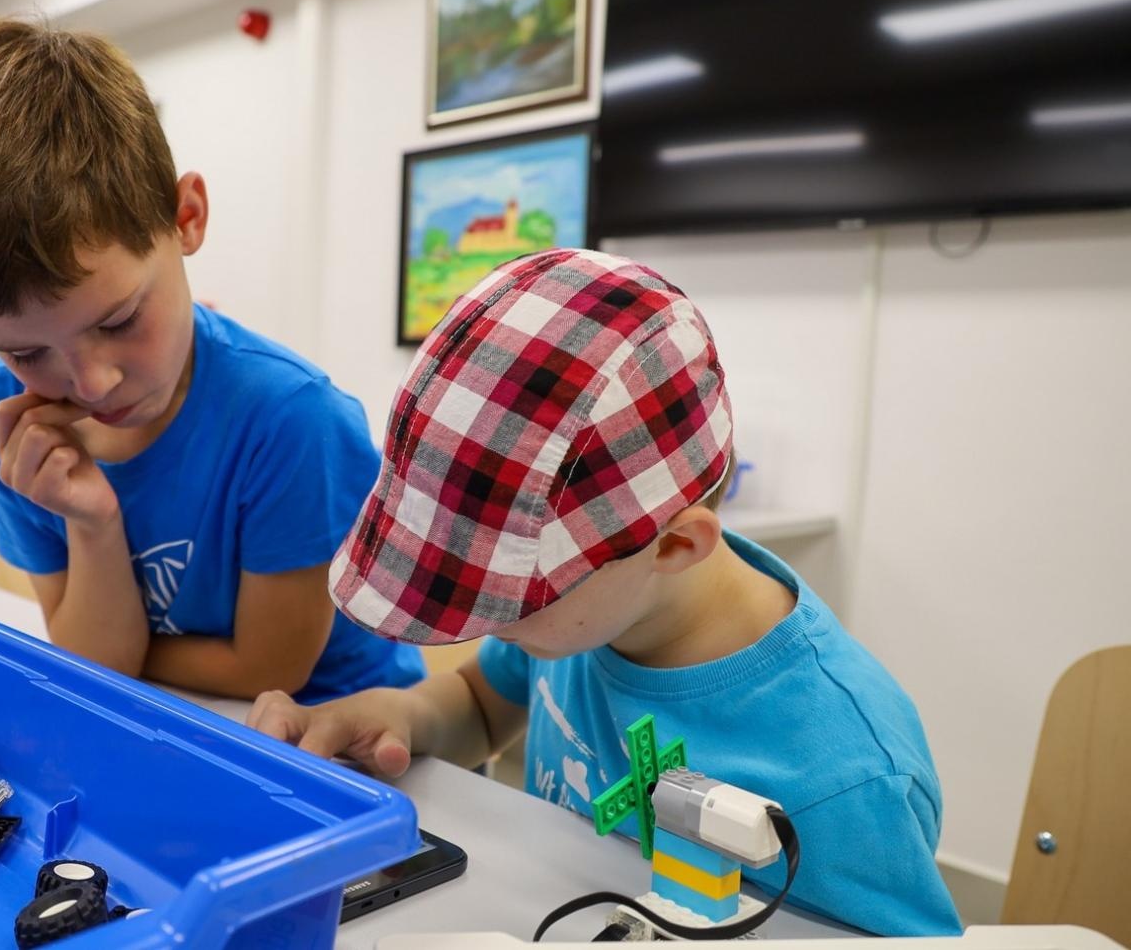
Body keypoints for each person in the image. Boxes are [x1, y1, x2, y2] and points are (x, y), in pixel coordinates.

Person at [247, 249, 961, 935]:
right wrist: (400, 714)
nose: (488, 623)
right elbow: (484, 707)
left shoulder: (849, 777)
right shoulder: (593, 615)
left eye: (511, 598)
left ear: (677, 545)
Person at [0, 19, 423, 703]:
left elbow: (264, 672)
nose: (92, 381)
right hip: (167, 717)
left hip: (344, 739)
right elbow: (95, 663)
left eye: (118, 319)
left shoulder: (292, 420)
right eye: (23, 351)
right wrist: (92, 521)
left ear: (186, 216)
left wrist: (118, 656)